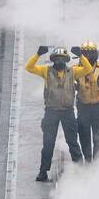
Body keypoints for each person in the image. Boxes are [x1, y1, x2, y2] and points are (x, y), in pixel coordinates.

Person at [24, 45, 79, 180]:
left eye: (62, 59)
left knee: (72, 142)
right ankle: (43, 172)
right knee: (48, 144)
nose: (59, 61)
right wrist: (37, 54)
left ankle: (80, 170)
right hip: (51, 112)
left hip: (68, 112)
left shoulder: (73, 72)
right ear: (53, 59)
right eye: (57, 58)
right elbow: (29, 67)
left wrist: (81, 55)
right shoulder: (45, 71)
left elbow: (88, 69)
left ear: (66, 60)